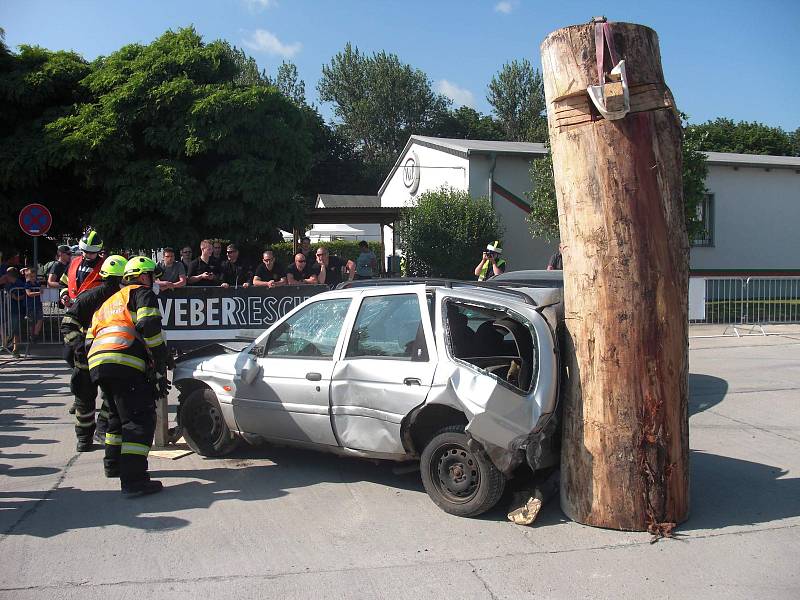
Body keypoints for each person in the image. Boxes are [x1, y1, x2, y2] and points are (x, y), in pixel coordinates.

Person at [87, 256, 169, 496]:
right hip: (124, 360)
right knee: (139, 420)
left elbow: (90, 338)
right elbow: (150, 326)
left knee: (116, 416)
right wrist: (160, 359)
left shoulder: (111, 301)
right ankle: (134, 481)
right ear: (144, 276)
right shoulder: (142, 293)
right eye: (152, 276)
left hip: (98, 363)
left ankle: (113, 466)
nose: (154, 281)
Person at [60, 255, 127, 451]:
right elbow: (69, 325)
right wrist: (80, 347)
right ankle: (89, 437)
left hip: (101, 357)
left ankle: (88, 437)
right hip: (95, 358)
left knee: (89, 401)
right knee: (99, 399)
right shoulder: (96, 298)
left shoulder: (95, 296)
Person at [60, 230, 104, 307]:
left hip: (95, 310)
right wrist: (64, 295)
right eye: (86, 252)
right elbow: (64, 283)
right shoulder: (74, 263)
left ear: (98, 251)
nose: (88, 255)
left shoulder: (104, 266)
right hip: (73, 308)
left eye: (92, 253)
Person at [4, 268, 25, 357]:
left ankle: (15, 348)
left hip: (17, 310)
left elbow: (22, 295)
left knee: (15, 329)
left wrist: (15, 297)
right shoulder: (9, 284)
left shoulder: (19, 284)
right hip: (10, 309)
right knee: (12, 328)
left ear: (9, 275)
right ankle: (9, 344)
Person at [23, 268, 44, 342]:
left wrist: (41, 288)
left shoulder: (37, 284)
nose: (33, 278)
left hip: (38, 304)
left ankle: (35, 334)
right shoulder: (27, 284)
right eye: (31, 276)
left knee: (40, 319)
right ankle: (31, 336)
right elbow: (29, 294)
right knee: (31, 322)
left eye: (34, 276)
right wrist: (39, 292)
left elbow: (41, 289)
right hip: (30, 305)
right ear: (27, 277)